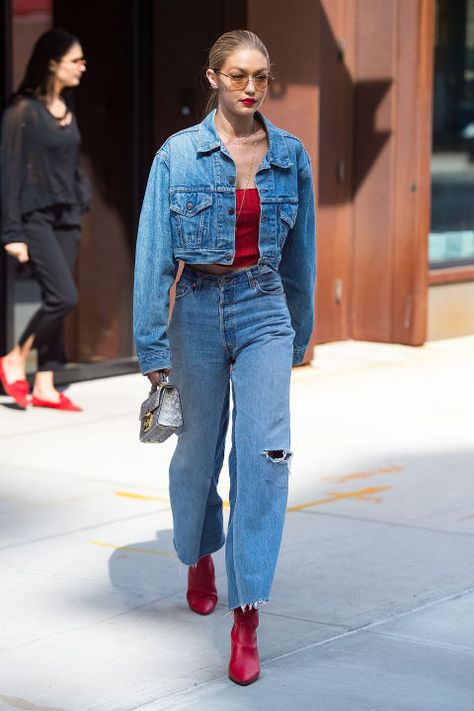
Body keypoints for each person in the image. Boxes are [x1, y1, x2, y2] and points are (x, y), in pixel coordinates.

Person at [133, 30, 316, 685]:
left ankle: (247, 615)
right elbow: (155, 254)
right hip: (198, 306)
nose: (251, 87)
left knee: (265, 456)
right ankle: (198, 550)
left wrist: (300, 335)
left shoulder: (291, 155)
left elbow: (302, 258)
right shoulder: (177, 156)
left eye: (261, 76)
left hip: (264, 304)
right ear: (212, 77)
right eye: (238, 74)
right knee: (197, 448)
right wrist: (152, 347)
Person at [0, 28, 89, 411]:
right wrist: (12, 232)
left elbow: (69, 165)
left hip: (67, 216)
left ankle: (46, 384)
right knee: (63, 297)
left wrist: (81, 198)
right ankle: (14, 357)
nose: (83, 67)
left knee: (61, 297)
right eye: (76, 60)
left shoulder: (67, 109)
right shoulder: (22, 110)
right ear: (52, 64)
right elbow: (10, 172)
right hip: (35, 217)